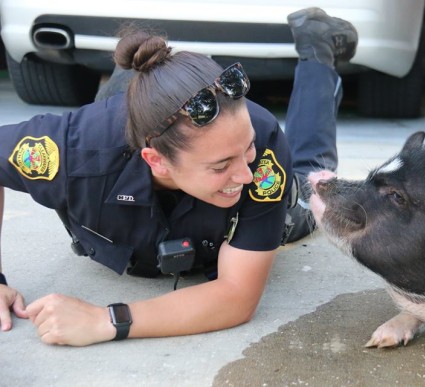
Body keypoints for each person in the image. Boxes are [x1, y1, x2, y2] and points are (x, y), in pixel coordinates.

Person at [0, 7, 357, 346]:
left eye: (245, 149)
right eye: (221, 166)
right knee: (123, 110)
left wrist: (104, 321)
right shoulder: (73, 153)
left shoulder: (262, 150)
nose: (246, 175)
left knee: (314, 187)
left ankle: (318, 51)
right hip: (118, 137)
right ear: (156, 161)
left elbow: (236, 296)